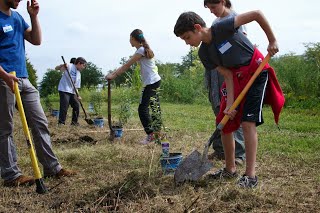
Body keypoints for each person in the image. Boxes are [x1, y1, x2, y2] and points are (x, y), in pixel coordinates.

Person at [174, 11, 285, 188]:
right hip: (235, 79)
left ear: (197, 28)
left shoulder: (223, 27)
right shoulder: (204, 53)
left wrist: (272, 40)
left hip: (256, 71)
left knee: (248, 122)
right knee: (224, 121)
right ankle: (230, 169)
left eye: (187, 37)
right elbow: (227, 75)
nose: (188, 43)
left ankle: (250, 176)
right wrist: (231, 104)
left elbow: (257, 14)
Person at [0, 0, 77, 187]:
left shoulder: (18, 18)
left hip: (23, 78)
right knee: (5, 128)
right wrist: (4, 76)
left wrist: (34, 17)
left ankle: (52, 168)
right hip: (4, 78)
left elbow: (36, 40)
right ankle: (11, 175)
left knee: (40, 122)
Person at [204, 0, 246, 165]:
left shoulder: (235, 18)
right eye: (209, 8)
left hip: (230, 69)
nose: (211, 11)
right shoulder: (216, 21)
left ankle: (239, 154)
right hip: (217, 70)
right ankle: (221, 149)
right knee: (219, 107)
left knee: (232, 108)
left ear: (223, 2)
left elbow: (240, 43)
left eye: (213, 7)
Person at [106, 29, 162, 145]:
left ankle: (151, 135)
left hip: (151, 82)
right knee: (155, 108)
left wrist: (113, 75)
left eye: (130, 38)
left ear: (133, 38)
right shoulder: (143, 49)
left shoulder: (141, 50)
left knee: (142, 109)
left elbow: (127, 65)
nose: (129, 41)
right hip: (155, 81)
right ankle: (158, 134)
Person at [55, 57, 87, 126]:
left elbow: (76, 87)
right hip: (64, 89)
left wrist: (78, 95)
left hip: (72, 91)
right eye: (83, 65)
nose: (84, 67)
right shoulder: (69, 66)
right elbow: (56, 68)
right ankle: (61, 123)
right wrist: (62, 66)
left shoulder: (79, 74)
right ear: (79, 63)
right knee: (64, 106)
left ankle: (74, 123)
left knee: (76, 106)